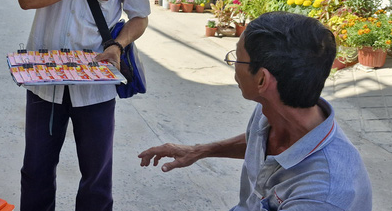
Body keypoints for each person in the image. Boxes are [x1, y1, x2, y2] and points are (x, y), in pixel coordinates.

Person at [139, 12, 372, 211]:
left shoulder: (322, 195)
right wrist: (200, 150)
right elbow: (258, 142)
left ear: (262, 79)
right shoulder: (271, 109)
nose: (233, 68)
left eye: (237, 60)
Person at [16, 0, 150, 210]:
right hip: (45, 82)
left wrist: (118, 46)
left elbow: (139, 16)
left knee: (97, 176)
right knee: (36, 170)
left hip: (97, 84)